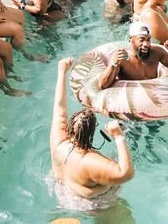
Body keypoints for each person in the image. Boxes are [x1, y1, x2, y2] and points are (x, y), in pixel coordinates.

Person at [50, 58, 134, 209]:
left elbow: (59, 109)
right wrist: (118, 136)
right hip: (92, 205)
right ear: (92, 133)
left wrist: (61, 73)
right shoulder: (90, 162)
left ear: (69, 128)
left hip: (62, 192)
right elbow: (126, 174)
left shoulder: (59, 142)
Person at [98, 23, 168, 89]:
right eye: (141, 40)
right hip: (132, 102)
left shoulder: (156, 52)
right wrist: (113, 64)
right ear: (131, 39)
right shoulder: (123, 59)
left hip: (155, 99)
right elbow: (102, 85)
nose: (146, 44)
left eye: (148, 40)